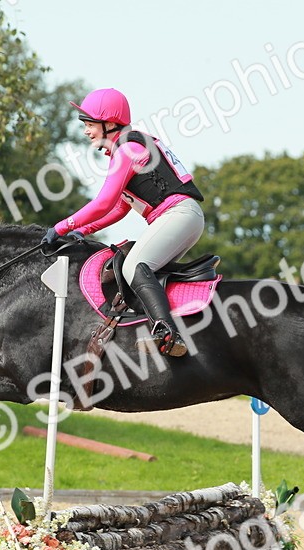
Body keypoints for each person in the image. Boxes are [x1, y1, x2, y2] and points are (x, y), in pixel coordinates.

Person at [42, 88, 205, 357]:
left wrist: (61, 227)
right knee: (141, 272)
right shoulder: (128, 148)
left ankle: (167, 333)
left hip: (178, 215)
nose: (85, 131)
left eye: (90, 124)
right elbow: (120, 207)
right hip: (183, 217)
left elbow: (104, 203)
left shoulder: (128, 149)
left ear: (109, 123)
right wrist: (83, 230)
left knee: (135, 266)